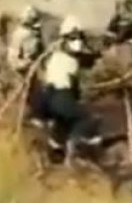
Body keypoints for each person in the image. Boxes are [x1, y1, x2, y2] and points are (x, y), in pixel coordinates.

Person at [37, 17, 103, 162]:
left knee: (63, 121)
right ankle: (75, 148)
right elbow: (74, 83)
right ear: (65, 39)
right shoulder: (66, 58)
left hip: (48, 97)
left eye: (79, 37)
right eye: (73, 37)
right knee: (85, 118)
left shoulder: (56, 55)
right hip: (59, 95)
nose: (77, 41)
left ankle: (55, 153)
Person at [6, 5, 45, 74]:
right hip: (25, 67)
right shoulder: (27, 34)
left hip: (19, 65)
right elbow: (33, 54)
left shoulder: (18, 32)